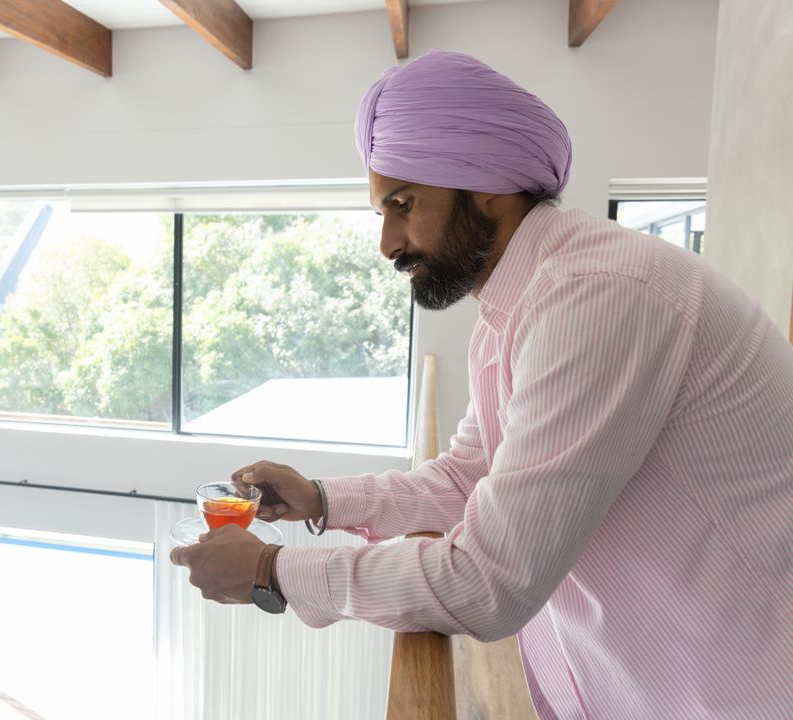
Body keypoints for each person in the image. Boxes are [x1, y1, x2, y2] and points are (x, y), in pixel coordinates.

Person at [170, 49, 793, 719]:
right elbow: (471, 476)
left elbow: (488, 582)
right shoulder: (520, 304)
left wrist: (270, 573)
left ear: (488, 182)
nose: (386, 243)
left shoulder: (599, 297)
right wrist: (321, 498)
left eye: (403, 204)